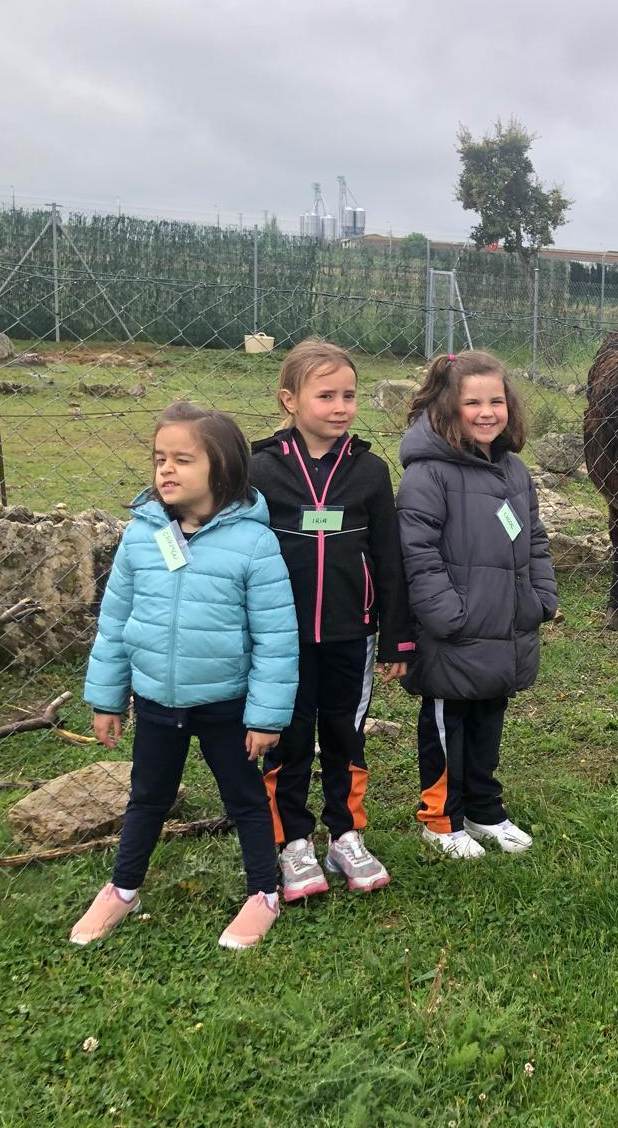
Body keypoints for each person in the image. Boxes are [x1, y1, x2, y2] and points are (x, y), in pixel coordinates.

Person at [71, 401, 298, 950]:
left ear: (221, 469)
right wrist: (106, 699)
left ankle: (263, 892)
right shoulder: (140, 536)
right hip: (154, 702)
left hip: (226, 705)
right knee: (147, 797)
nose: (166, 470)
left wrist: (266, 715)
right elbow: (116, 620)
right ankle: (123, 888)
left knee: (244, 798)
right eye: (159, 459)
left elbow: (275, 636)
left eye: (182, 460)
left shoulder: (255, 543)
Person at [250, 339, 414, 900]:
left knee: (345, 734)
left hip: (353, 633)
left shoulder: (370, 471)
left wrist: (396, 638)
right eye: (326, 395)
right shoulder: (261, 469)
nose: (341, 406)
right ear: (288, 400)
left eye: (349, 394)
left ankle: (345, 834)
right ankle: (292, 840)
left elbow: (390, 558)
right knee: (290, 735)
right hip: (282, 638)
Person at [398, 351, 557, 859]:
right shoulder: (429, 474)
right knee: (448, 723)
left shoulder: (513, 471)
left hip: (505, 625)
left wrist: (541, 597)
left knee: (489, 718)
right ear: (447, 408)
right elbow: (415, 552)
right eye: (473, 402)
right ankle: (441, 817)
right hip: (456, 632)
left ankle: (484, 809)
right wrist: (448, 615)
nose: (487, 412)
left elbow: (534, 538)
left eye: (496, 400)